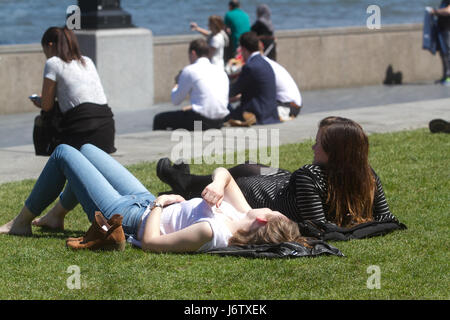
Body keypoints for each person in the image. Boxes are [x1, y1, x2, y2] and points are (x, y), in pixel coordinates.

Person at [0, 144, 305, 253]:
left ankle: (22, 223)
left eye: (277, 213)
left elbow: (151, 243)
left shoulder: (213, 232)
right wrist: (216, 183)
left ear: (265, 220)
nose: (272, 208)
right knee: (90, 150)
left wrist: (159, 203)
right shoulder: (244, 213)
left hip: (132, 214)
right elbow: (225, 172)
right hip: (143, 199)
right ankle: (56, 216)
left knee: (65, 153)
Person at [156, 116, 401, 228]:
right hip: (278, 182)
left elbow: (319, 227)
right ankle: (183, 179)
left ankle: (183, 182)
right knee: (247, 166)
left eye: (318, 143)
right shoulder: (358, 174)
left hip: (259, 193)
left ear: (335, 153)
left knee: (240, 177)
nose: (313, 147)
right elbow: (382, 219)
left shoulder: (357, 176)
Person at [32, 26, 116, 154]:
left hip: (81, 131)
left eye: (45, 52)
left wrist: (40, 100)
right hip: (106, 132)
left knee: (42, 120)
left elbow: (47, 107)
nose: (46, 56)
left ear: (49, 45)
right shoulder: (87, 61)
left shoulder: (53, 63)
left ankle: (49, 155)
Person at [152, 38, 230, 131]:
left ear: (193, 53)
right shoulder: (220, 71)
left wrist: (177, 83)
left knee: (159, 119)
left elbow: (175, 100)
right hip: (219, 121)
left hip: (199, 122)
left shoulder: (190, 70)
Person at [226, 32, 280, 126]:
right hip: (271, 115)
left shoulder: (250, 67)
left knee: (221, 112)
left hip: (257, 115)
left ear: (243, 49)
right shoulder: (265, 63)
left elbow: (233, 91)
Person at [262, 54, 303, 121]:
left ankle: (282, 113)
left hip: (289, 106)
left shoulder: (262, 65)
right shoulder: (268, 62)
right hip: (293, 104)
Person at [431, 1, 450, 85]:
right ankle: (445, 76)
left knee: (448, 53)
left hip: (448, 29)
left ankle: (448, 77)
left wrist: (435, 12)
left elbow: (448, 11)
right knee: (443, 53)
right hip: (442, 30)